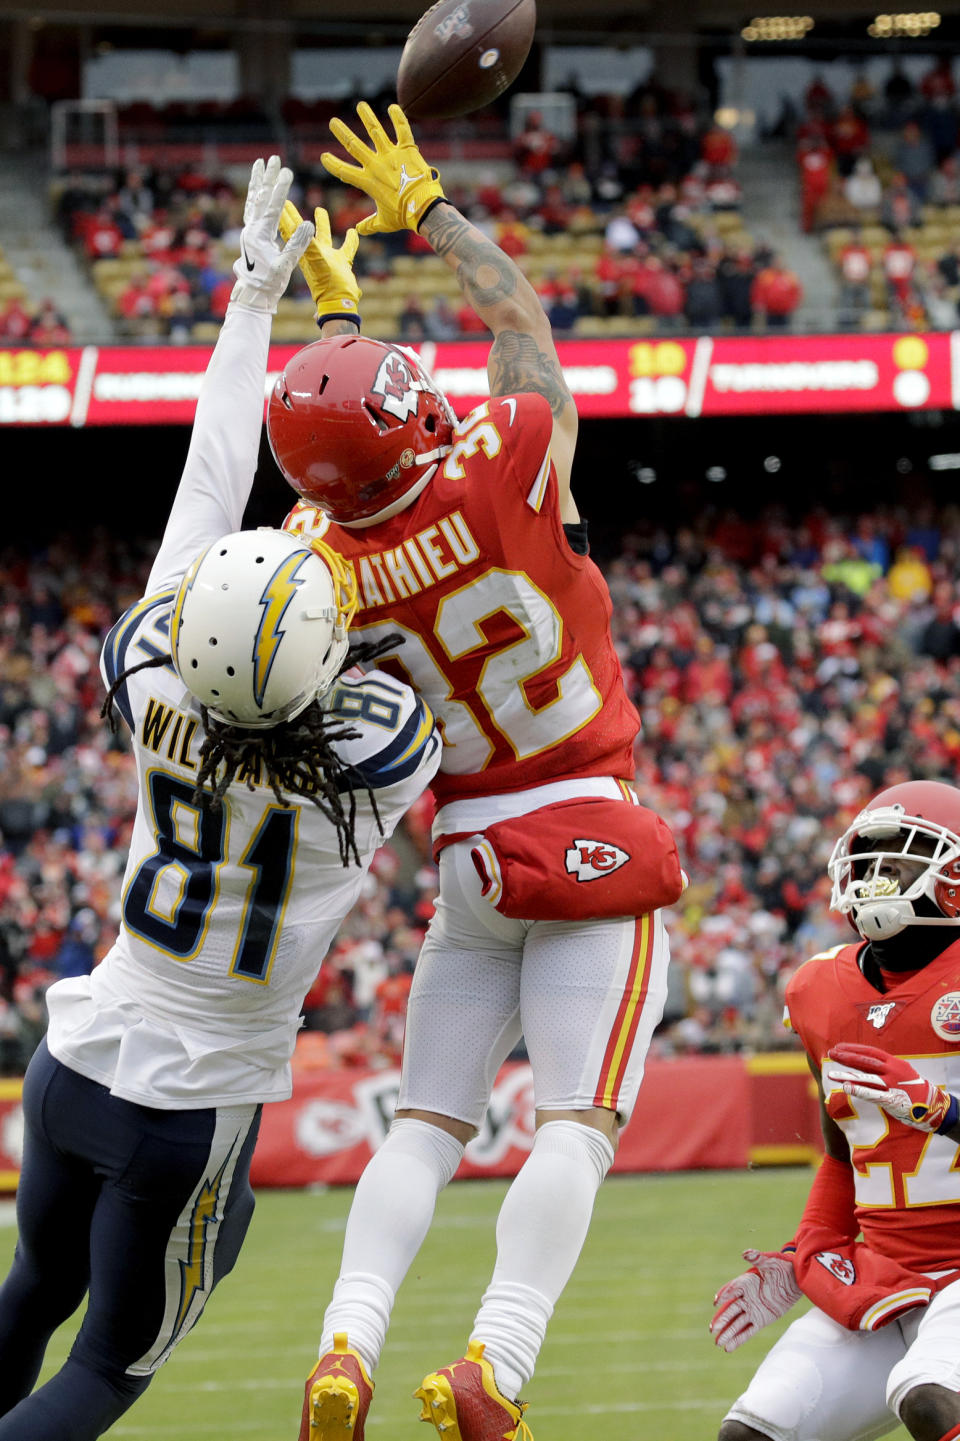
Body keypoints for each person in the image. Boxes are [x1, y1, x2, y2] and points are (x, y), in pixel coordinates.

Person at [0, 156, 440, 1441]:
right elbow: (390, 542)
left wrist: (256, 304)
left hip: (79, 1057)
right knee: (104, 1376)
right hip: (190, 1113)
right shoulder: (368, 763)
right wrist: (349, 347)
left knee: (34, 1292)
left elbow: (210, 488)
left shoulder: (154, 684)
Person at [269, 103, 683, 1441]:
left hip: (468, 854)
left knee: (426, 1123)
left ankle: (346, 1344)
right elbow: (524, 328)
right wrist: (433, 211)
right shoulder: (503, 461)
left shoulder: (319, 561)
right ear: (416, 416)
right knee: (576, 1117)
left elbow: (327, 483)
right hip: (586, 816)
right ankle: (494, 1366)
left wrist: (327, 332)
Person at [711, 779, 960, 1441]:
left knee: (929, 1397)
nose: (877, 875)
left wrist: (943, 1110)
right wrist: (803, 1253)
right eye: (868, 858)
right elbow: (842, 1154)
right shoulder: (821, 988)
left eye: (901, 857)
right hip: (887, 1271)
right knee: (753, 1431)